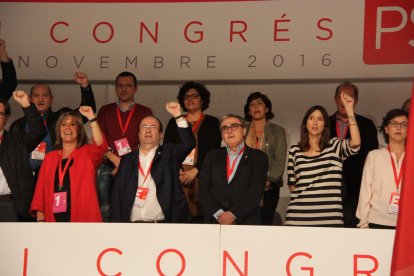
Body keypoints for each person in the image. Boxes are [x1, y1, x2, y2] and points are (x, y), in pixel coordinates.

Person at [110, 102, 195, 223]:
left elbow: (189, 143)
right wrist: (117, 226)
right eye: (144, 127)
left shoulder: (169, 153)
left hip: (163, 225)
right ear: (138, 134)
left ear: (160, 135)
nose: (148, 130)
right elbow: (116, 194)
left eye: (153, 127)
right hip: (132, 226)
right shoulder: (127, 159)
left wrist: (178, 115)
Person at [285, 92, 361, 227]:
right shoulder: (294, 150)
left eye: (320, 119)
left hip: (329, 219)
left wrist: (349, 110)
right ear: (305, 123)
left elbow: (355, 143)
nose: (315, 122)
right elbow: (293, 186)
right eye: (311, 118)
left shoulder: (334, 146)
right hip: (298, 218)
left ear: (325, 125)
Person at [10, 72, 96, 178]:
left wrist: (84, 85)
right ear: (30, 99)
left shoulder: (61, 118)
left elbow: (87, 110)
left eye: (45, 96)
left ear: (52, 99)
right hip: (26, 177)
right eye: (36, 96)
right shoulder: (18, 125)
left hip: (55, 173)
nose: (40, 99)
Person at [30, 106, 107, 222]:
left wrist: (92, 118)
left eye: (73, 124)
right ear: (59, 130)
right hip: (53, 221)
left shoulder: (87, 153)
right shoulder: (50, 158)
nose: (68, 127)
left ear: (80, 130)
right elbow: (40, 192)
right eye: (63, 124)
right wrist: (40, 220)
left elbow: (100, 145)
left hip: (82, 220)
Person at [97, 71, 153, 221]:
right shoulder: (105, 111)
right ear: (115, 88)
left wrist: (125, 164)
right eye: (120, 85)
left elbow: (148, 141)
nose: (124, 89)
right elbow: (98, 139)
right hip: (108, 162)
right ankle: (106, 234)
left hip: (135, 164)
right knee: (105, 202)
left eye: (128, 85)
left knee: (132, 205)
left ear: (135, 88)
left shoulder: (145, 112)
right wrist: (114, 159)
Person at [164, 81, 221, 222]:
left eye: (194, 96)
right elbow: (168, 149)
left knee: (200, 219)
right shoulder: (174, 122)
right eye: (186, 97)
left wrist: (196, 170)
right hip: (179, 176)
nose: (190, 99)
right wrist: (177, 171)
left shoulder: (212, 122)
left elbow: (213, 151)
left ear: (202, 100)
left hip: (203, 176)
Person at [198, 114, 269, 225]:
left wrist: (233, 214)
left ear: (244, 131)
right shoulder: (211, 156)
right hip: (215, 222)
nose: (229, 131)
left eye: (234, 126)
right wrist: (219, 214)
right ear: (221, 135)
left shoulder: (259, 157)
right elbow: (203, 190)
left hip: (246, 222)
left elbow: (256, 192)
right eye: (225, 128)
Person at [329, 81, 378, 227]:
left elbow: (371, 157)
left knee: (351, 226)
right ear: (335, 99)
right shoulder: (324, 123)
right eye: (341, 97)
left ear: (356, 100)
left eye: (349, 97)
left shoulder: (366, 124)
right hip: (328, 184)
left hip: (356, 186)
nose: (344, 101)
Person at [356, 109, 409, 229]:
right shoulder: (374, 156)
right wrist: (363, 223)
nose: (398, 128)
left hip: (407, 223)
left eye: (404, 124)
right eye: (394, 123)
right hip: (377, 221)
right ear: (386, 128)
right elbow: (365, 191)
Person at [0, 91, 47, 221]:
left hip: (8, 204)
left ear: (7, 117)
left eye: (0, 114)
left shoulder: (17, 140)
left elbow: (39, 131)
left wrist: (27, 105)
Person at [244, 92, 287, 225]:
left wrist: (268, 181)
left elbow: (280, 159)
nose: (256, 107)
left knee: (264, 223)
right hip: (243, 187)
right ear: (249, 111)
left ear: (267, 109)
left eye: (260, 103)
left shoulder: (277, 131)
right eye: (252, 104)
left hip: (269, 188)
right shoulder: (241, 130)